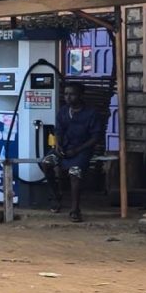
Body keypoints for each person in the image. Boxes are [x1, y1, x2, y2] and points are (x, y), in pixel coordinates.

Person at [54, 87, 103, 221]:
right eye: (66, 94)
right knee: (46, 162)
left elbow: (95, 137)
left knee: (74, 172)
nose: (68, 97)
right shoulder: (63, 111)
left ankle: (75, 209)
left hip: (82, 149)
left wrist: (77, 150)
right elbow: (58, 130)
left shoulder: (91, 113)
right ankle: (56, 196)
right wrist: (58, 145)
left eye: (72, 94)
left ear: (80, 95)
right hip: (64, 148)